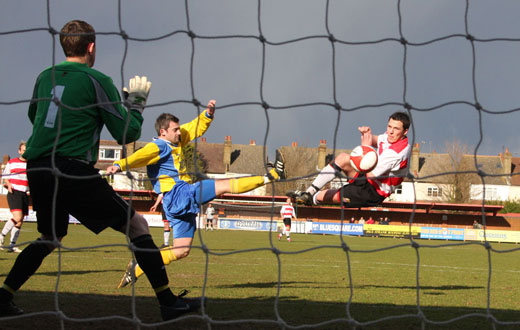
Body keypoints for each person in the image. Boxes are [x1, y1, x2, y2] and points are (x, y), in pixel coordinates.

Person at [0, 20, 197, 321]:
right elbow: (125, 133)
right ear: (91, 47)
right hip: (70, 168)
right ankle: (168, 303)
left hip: (38, 167)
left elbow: (34, 116)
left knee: (50, 236)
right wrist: (136, 104)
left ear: (64, 44)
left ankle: (3, 297)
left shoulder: (44, 77)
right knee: (138, 227)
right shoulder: (97, 80)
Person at [107, 107, 286, 288]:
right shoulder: (158, 146)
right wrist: (119, 165)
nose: (179, 132)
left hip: (178, 200)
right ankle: (273, 175)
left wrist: (207, 115)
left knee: (182, 250)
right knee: (223, 185)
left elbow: (193, 127)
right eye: (175, 130)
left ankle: (139, 266)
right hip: (178, 193)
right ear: (163, 132)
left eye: (178, 129)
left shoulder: (175, 141)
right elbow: (139, 157)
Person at [288, 112, 411, 208]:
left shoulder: (398, 152)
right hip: (368, 177)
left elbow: (371, 173)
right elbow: (376, 140)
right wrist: (367, 134)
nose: (390, 131)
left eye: (396, 129)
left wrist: (365, 147)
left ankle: (312, 199)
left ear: (405, 131)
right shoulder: (390, 136)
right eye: (389, 126)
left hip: (373, 193)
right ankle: (308, 193)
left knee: (328, 195)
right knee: (342, 158)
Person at [1, 142, 29, 253]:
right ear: (19, 151)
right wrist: (8, 184)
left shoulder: (31, 164)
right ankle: (1, 236)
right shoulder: (12, 163)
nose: (25, 152)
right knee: (17, 217)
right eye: (23, 150)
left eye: (26, 150)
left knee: (20, 221)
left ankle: (12, 245)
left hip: (24, 193)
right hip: (14, 192)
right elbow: (5, 176)